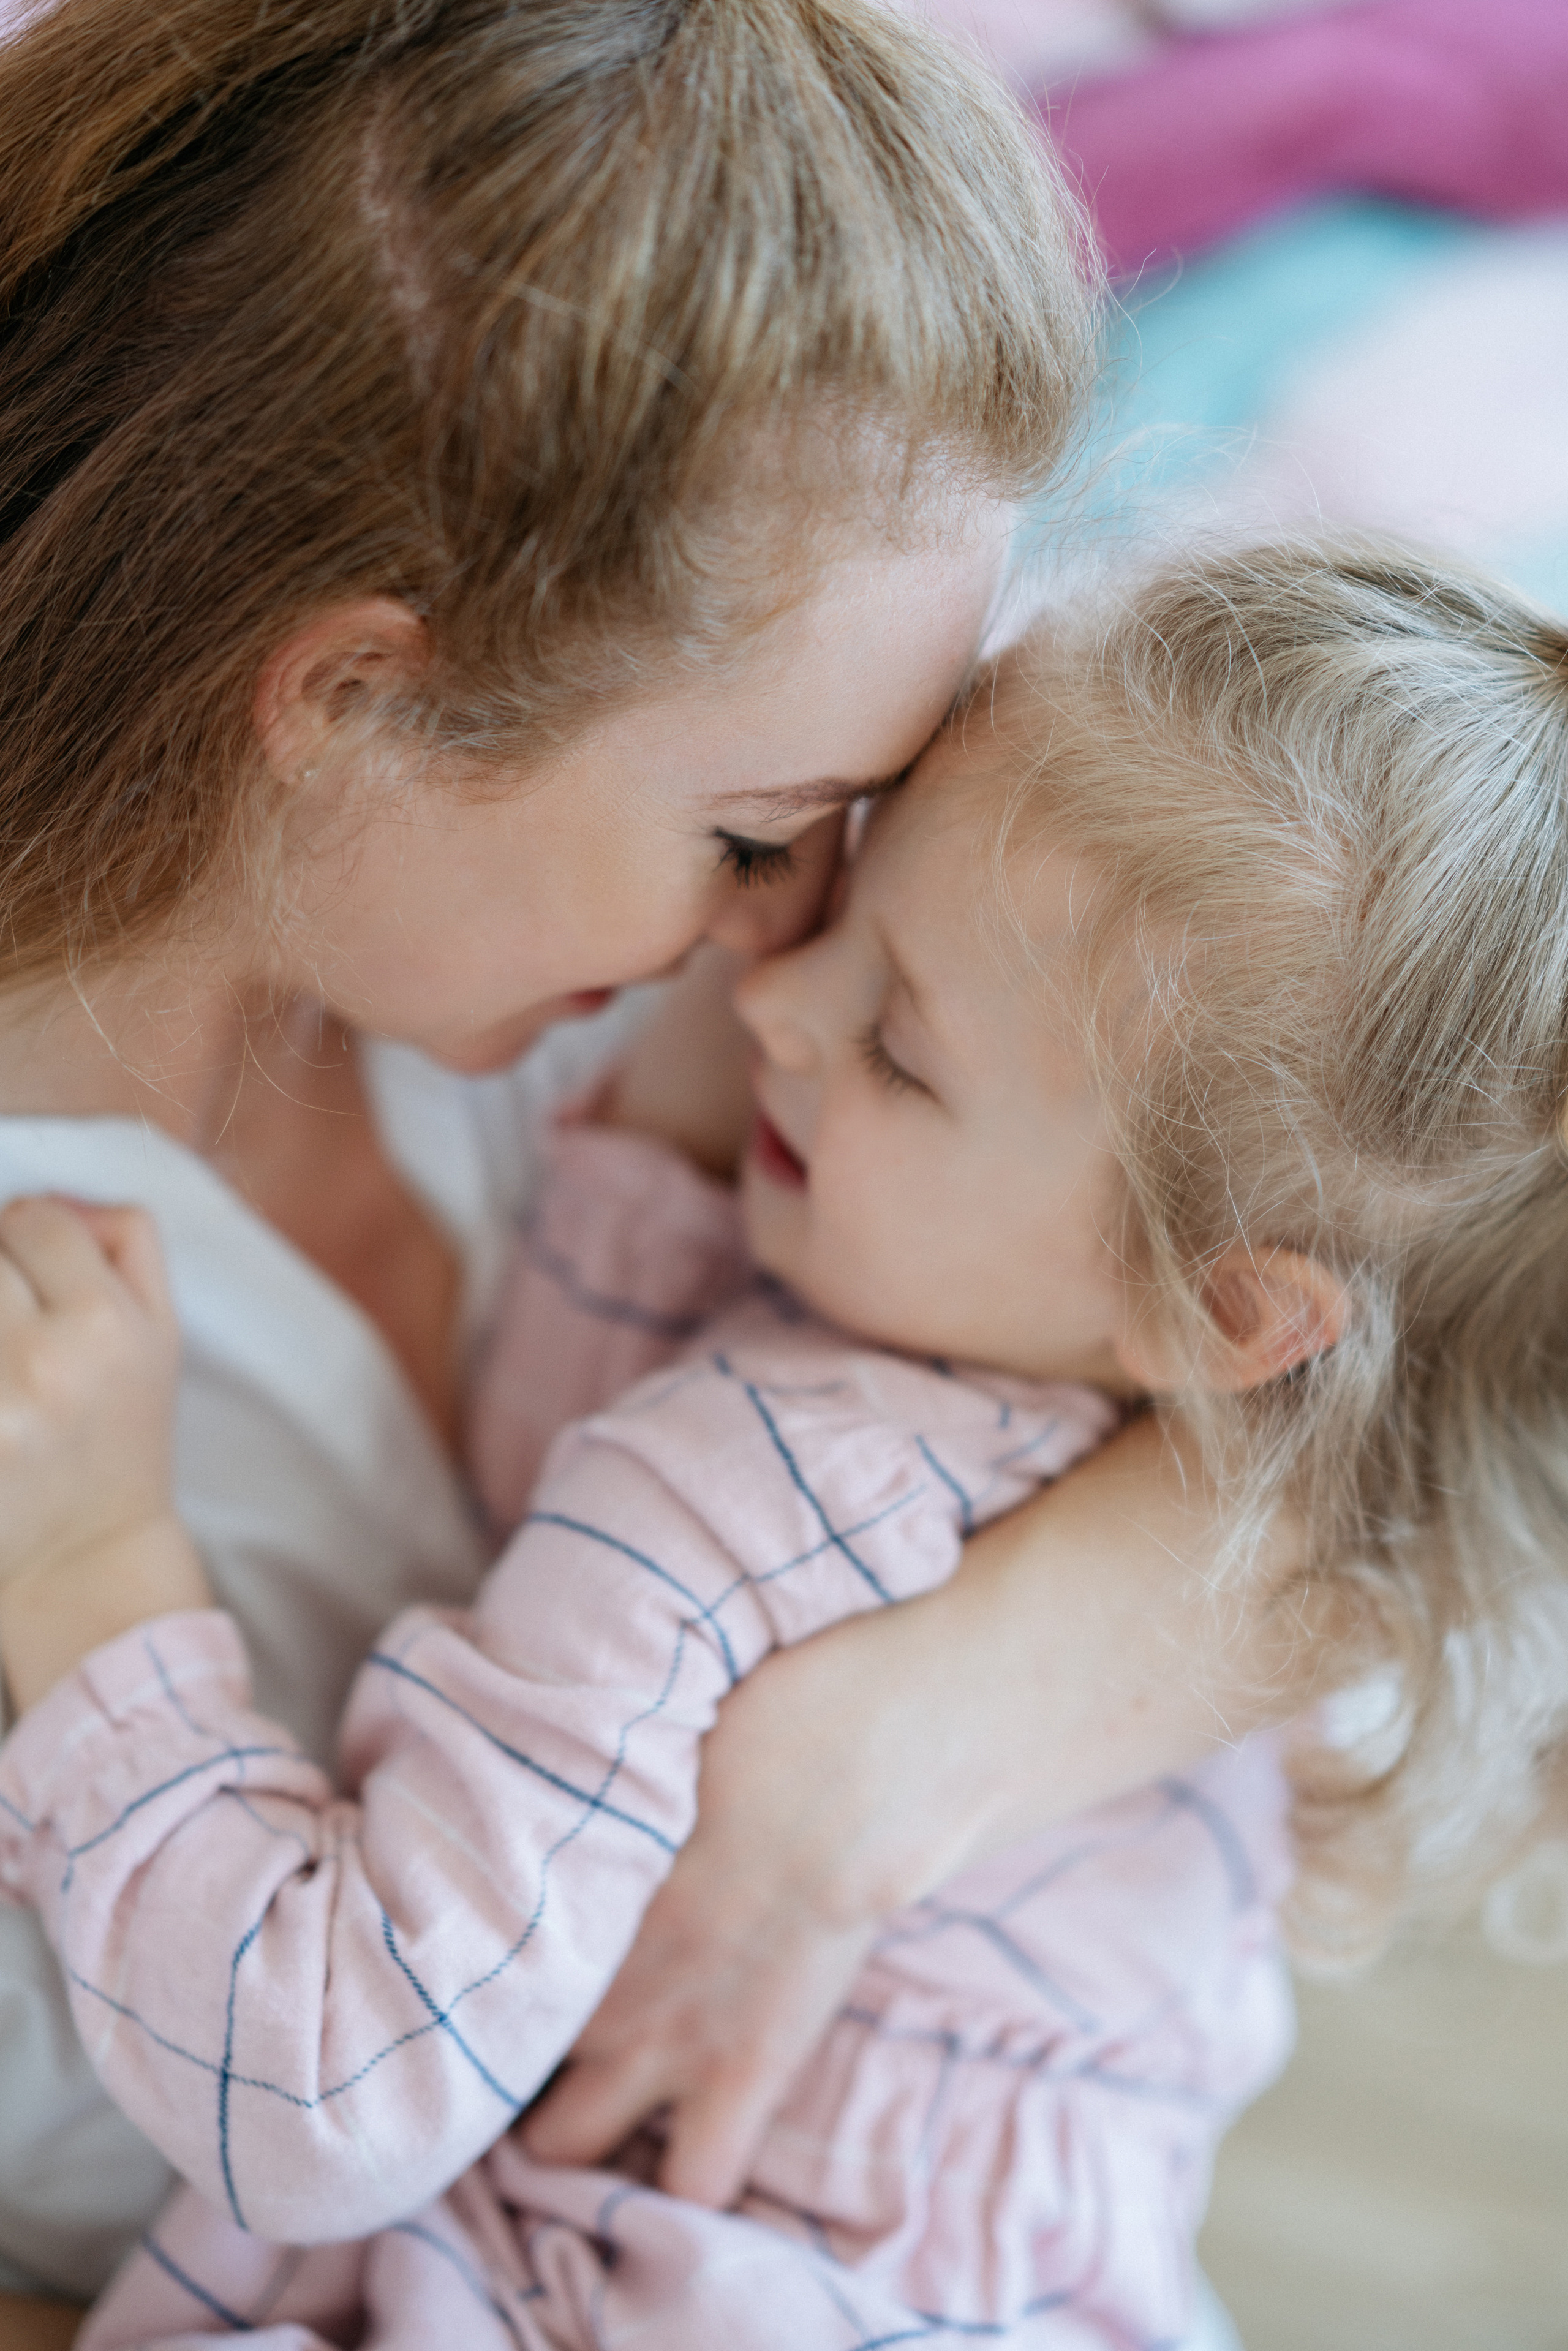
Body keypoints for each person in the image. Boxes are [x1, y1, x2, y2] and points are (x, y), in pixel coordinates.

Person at [0, 4, 1307, 2342]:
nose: (791, 944)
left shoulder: (581, 1016)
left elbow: (1405, 1381)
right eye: (756, 835)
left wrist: (908, 1734)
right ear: (361, 701)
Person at [6, 537, 1568, 2349]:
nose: (767, 996)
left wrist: (88, 1574)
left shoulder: (725, 1481)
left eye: (896, 1045)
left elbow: (321, 2089)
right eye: (826, 880)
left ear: (1230, 1313)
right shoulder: (1329, 1481)